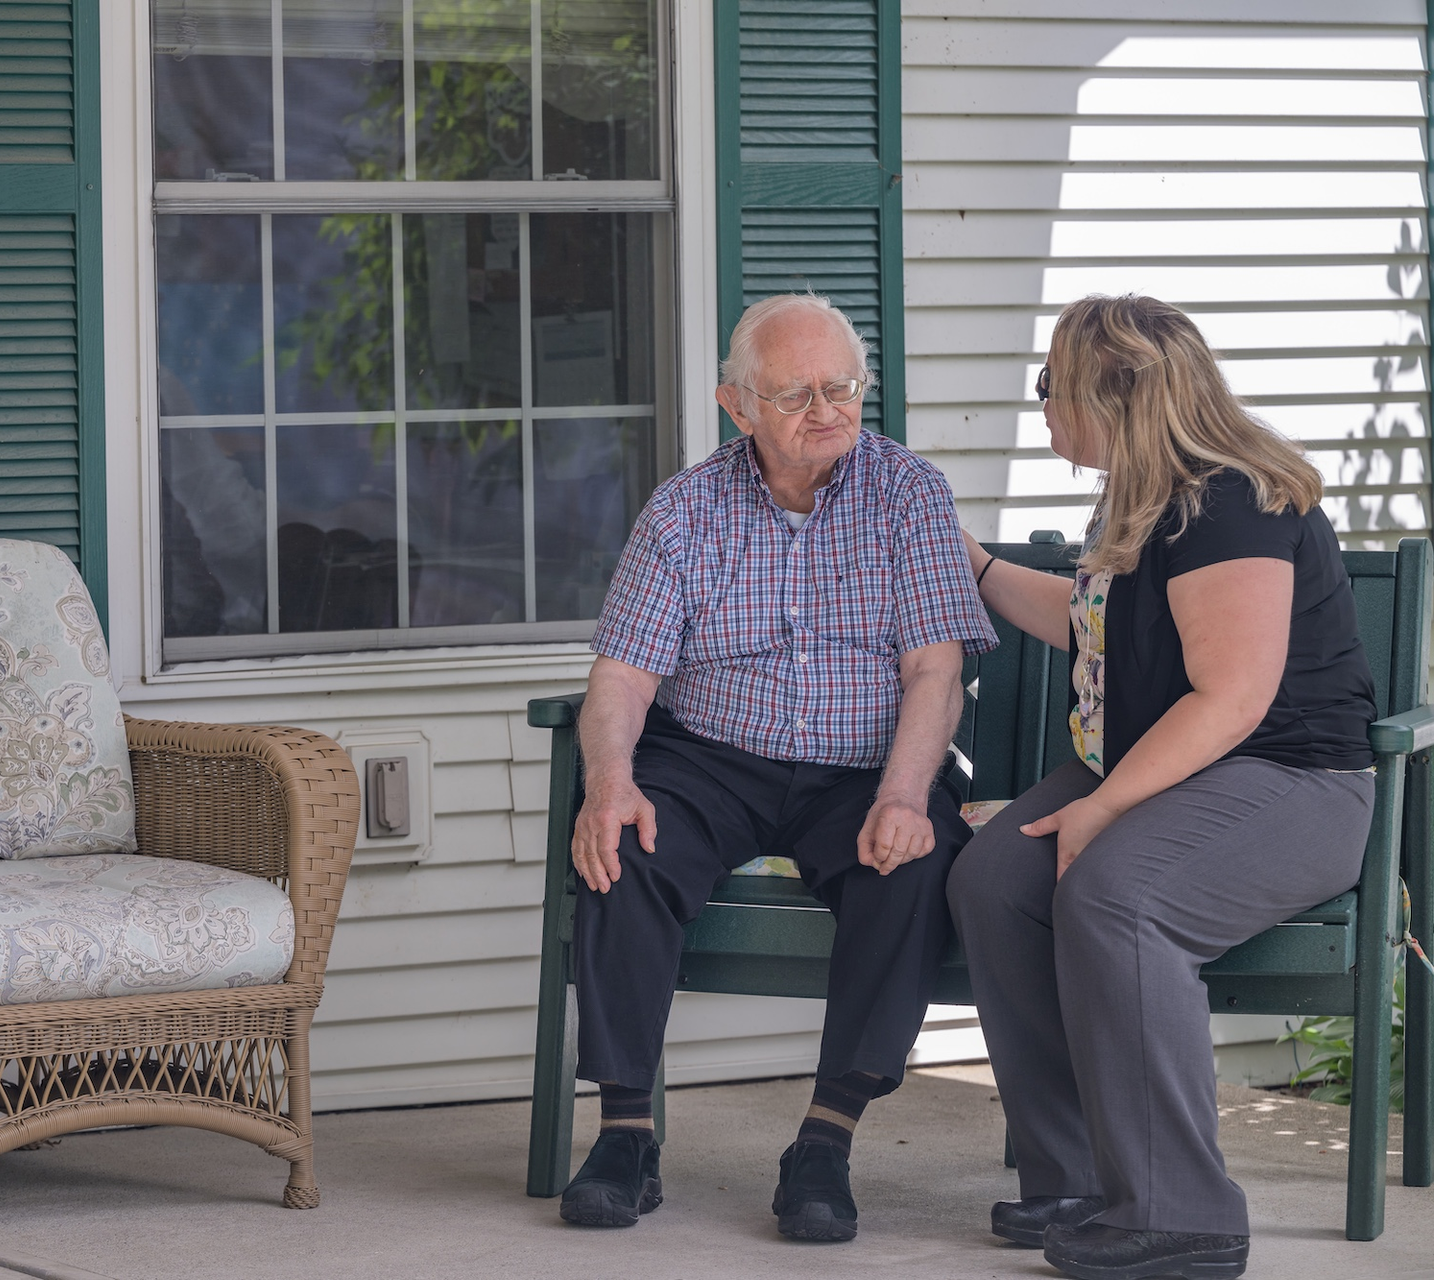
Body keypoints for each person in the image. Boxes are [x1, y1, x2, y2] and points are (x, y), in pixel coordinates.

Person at [947, 294, 1377, 1280]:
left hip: (1291, 782)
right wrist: (974, 566)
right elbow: (1090, 621)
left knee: (1117, 893)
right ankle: (1082, 1176)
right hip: (1180, 770)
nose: (1042, 404)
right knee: (993, 879)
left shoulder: (1228, 496)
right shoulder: (1143, 490)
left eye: (1050, 386)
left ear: (1112, 394)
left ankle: (1183, 1213)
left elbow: (1232, 695)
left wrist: (1096, 807)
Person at [559, 292, 997, 1240]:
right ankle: (625, 1134)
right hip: (712, 760)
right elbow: (624, 676)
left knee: (912, 862)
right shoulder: (685, 509)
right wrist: (609, 782)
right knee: (621, 841)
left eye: (842, 387)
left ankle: (825, 1142)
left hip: (861, 768)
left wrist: (904, 794)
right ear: (737, 406)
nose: (826, 409)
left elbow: (936, 670)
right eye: (794, 393)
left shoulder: (909, 494)